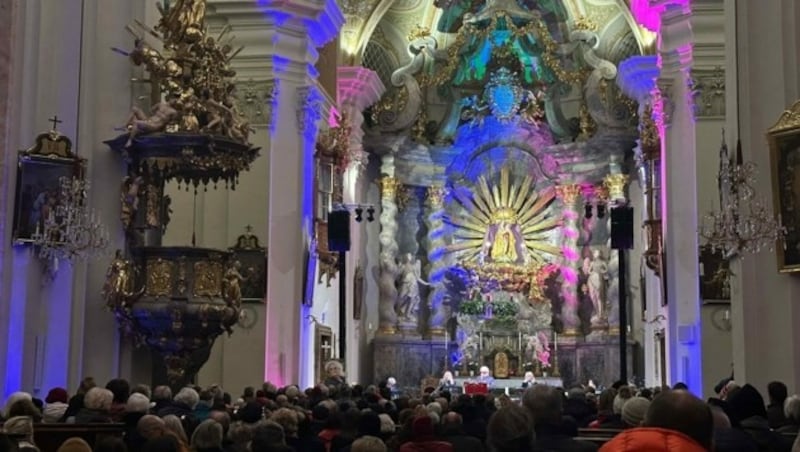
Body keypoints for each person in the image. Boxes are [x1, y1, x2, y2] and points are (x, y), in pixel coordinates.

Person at [396, 254, 429, 321]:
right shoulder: (403, 266)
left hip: (413, 285)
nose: (409, 257)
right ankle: (400, 312)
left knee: (412, 300)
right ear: (405, 257)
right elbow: (397, 277)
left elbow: (418, 278)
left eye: (410, 256)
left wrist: (426, 283)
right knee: (401, 298)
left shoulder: (414, 267)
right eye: (407, 256)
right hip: (405, 284)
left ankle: (408, 314)